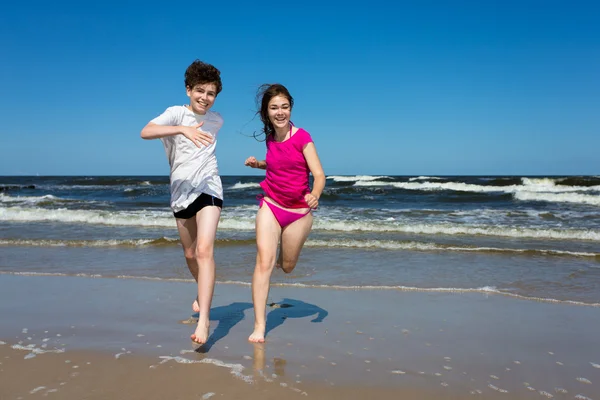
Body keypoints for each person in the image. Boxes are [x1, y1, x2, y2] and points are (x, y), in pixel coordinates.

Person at [140, 60, 224, 345]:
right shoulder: (176, 113)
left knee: (204, 250)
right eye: (200, 90)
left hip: (209, 187)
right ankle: (201, 292)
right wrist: (182, 129)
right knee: (189, 254)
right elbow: (146, 131)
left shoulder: (217, 120)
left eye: (211, 93)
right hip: (180, 191)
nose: (205, 97)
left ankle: (204, 322)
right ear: (188, 90)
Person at [244, 83, 325, 343]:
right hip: (271, 204)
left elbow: (320, 174)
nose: (280, 112)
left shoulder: (303, 137)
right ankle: (259, 326)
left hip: (299, 211)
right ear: (266, 112)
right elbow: (277, 163)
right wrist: (259, 164)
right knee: (263, 263)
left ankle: (283, 258)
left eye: (284, 107)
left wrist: (315, 194)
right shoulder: (270, 138)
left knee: (287, 266)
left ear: (291, 108)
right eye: (274, 108)